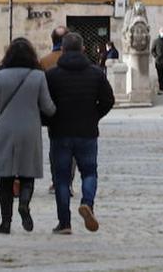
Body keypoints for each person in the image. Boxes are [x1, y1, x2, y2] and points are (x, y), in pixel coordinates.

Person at [0, 38, 55, 234]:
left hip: (5, 129)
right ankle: (23, 203)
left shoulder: (0, 77)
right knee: (27, 173)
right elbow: (48, 107)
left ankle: (5, 223)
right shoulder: (38, 76)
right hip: (30, 129)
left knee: (5, 178)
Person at [44, 31, 115, 234]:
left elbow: (44, 104)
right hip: (87, 132)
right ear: (83, 49)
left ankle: (64, 223)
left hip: (60, 132)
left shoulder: (52, 75)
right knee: (90, 172)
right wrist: (95, 116)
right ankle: (87, 204)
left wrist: (50, 121)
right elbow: (109, 100)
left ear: (63, 50)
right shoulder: (95, 73)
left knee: (62, 178)